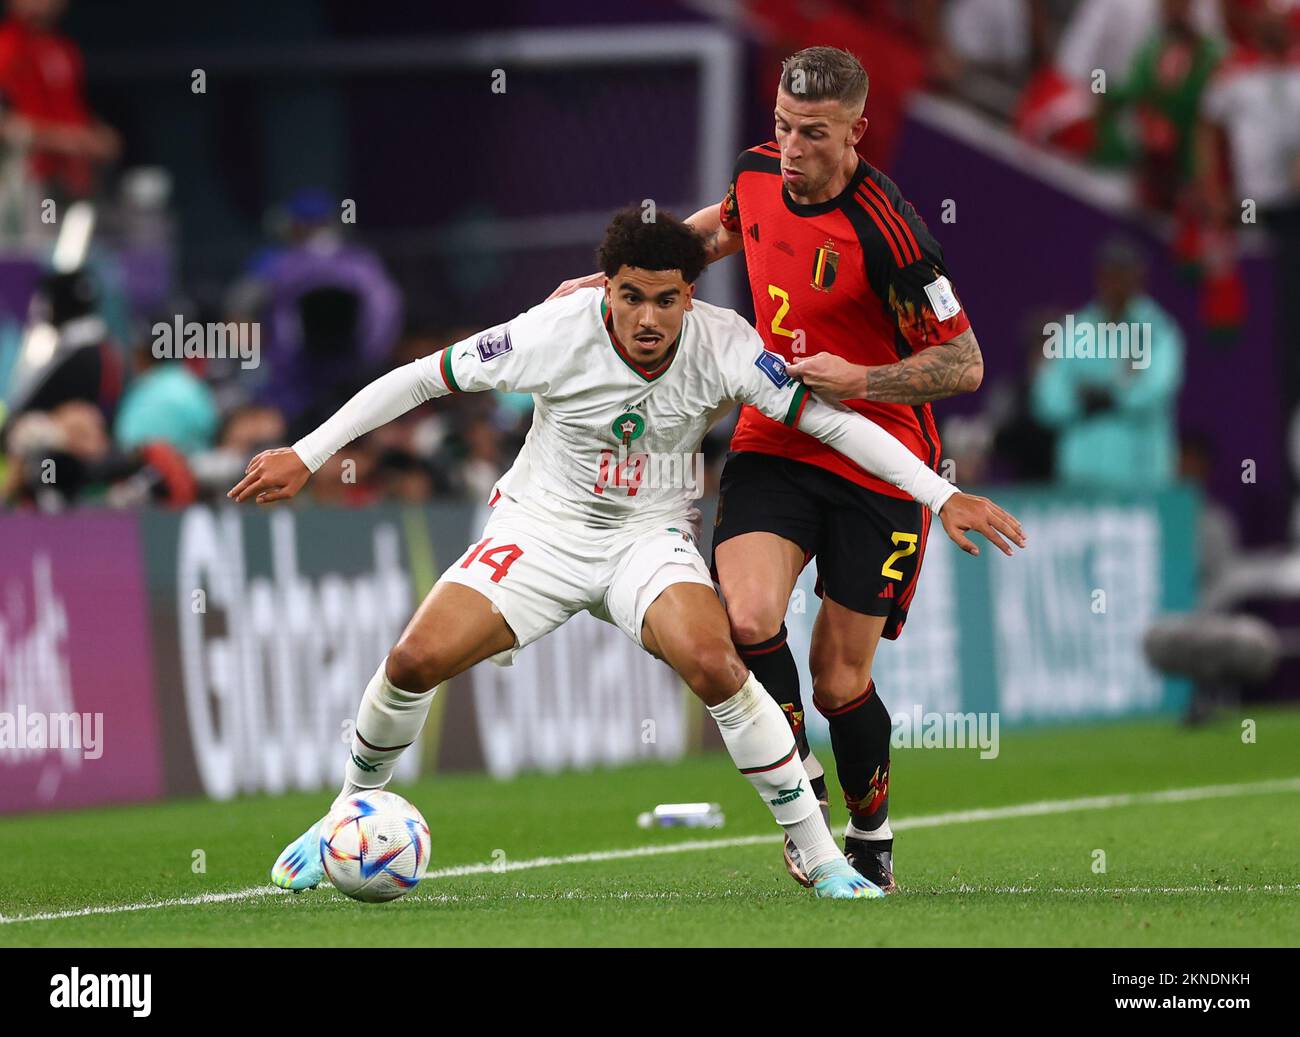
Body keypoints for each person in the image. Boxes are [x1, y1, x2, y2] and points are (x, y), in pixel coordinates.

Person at [229, 208, 1025, 901]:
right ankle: (343, 814)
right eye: (632, 295)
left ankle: (823, 860)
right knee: (411, 659)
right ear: (604, 287)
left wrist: (939, 492)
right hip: (538, 531)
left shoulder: (727, 346)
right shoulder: (550, 333)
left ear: (692, 294)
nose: (649, 316)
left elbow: (833, 423)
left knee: (718, 665)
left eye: (668, 298)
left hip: (647, 539)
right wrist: (308, 452)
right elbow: (417, 381)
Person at [550, 47, 983, 893]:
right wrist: (622, 282)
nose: (790, 147)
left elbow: (963, 363)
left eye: (813, 134)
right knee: (745, 616)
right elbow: (714, 232)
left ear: (857, 131)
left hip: (878, 456)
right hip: (776, 433)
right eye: (782, 125)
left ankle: (872, 829)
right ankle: (803, 799)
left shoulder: (891, 233)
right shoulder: (755, 175)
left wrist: (864, 379)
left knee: (838, 679)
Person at [1031, 238, 1185, 489]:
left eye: (1125, 274)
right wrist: (1091, 397)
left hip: (1144, 479)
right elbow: (1047, 400)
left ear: (1139, 278)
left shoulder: (1159, 330)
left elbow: (1157, 389)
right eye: (1111, 274)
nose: (1117, 284)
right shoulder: (1074, 330)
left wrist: (1105, 395)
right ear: (1099, 277)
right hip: (1081, 479)